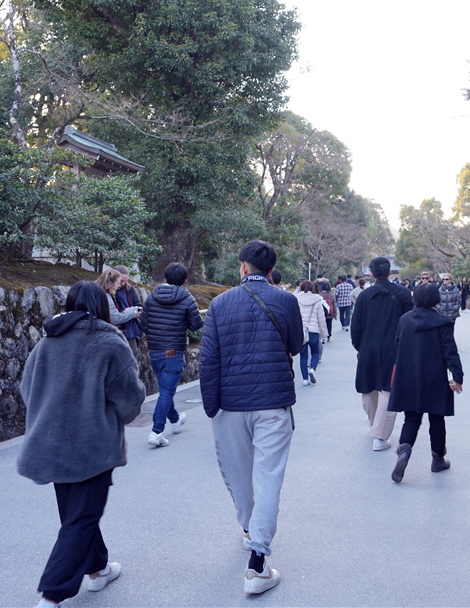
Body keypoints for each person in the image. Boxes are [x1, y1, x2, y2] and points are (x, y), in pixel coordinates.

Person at [17, 281, 146, 608]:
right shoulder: (109, 343)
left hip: (51, 444)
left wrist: (48, 414)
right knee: (82, 518)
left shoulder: (48, 342)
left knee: (75, 514)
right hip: (91, 448)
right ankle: (51, 594)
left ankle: (98, 568)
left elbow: (27, 390)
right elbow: (130, 401)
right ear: (103, 307)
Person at [199, 240, 303, 596]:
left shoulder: (219, 303)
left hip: (230, 405)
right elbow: (296, 345)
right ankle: (258, 562)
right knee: (269, 477)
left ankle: (248, 529)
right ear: (271, 270)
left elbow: (208, 360)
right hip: (273, 403)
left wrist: (211, 407)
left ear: (243, 267)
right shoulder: (286, 300)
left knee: (238, 473)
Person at [388, 283, 464, 483]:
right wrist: (457, 378)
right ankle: (438, 459)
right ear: (436, 299)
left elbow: (397, 345)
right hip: (434, 377)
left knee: (411, 418)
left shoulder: (404, 320)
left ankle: (404, 450)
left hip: (409, 377)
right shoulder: (443, 322)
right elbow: (450, 352)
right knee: (436, 419)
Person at [350, 255, 413, 451]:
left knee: (368, 389)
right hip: (394, 349)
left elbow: (356, 326)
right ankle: (380, 436)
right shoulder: (403, 294)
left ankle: (374, 423)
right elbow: (411, 324)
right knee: (388, 390)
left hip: (367, 348)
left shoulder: (363, 296)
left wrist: (359, 347)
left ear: (371, 274)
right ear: (389, 272)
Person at [138, 262, 203, 448]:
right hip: (173, 352)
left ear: (165, 279)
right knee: (166, 392)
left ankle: (174, 420)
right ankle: (156, 431)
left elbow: (144, 325)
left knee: (165, 391)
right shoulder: (187, 298)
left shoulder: (151, 297)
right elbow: (196, 325)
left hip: (155, 352)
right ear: (184, 281)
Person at [294, 280, 328, 386]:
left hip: (301, 331)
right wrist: (324, 334)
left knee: (303, 355)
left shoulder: (296, 299)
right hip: (313, 331)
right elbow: (321, 319)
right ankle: (313, 369)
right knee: (315, 352)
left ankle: (305, 379)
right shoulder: (317, 299)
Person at [111, 265, 143, 368]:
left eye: (124, 281)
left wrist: (137, 311)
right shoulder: (108, 291)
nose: (121, 284)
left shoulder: (130, 289)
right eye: (120, 281)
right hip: (116, 332)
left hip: (130, 331)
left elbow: (139, 304)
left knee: (132, 362)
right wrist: (125, 312)